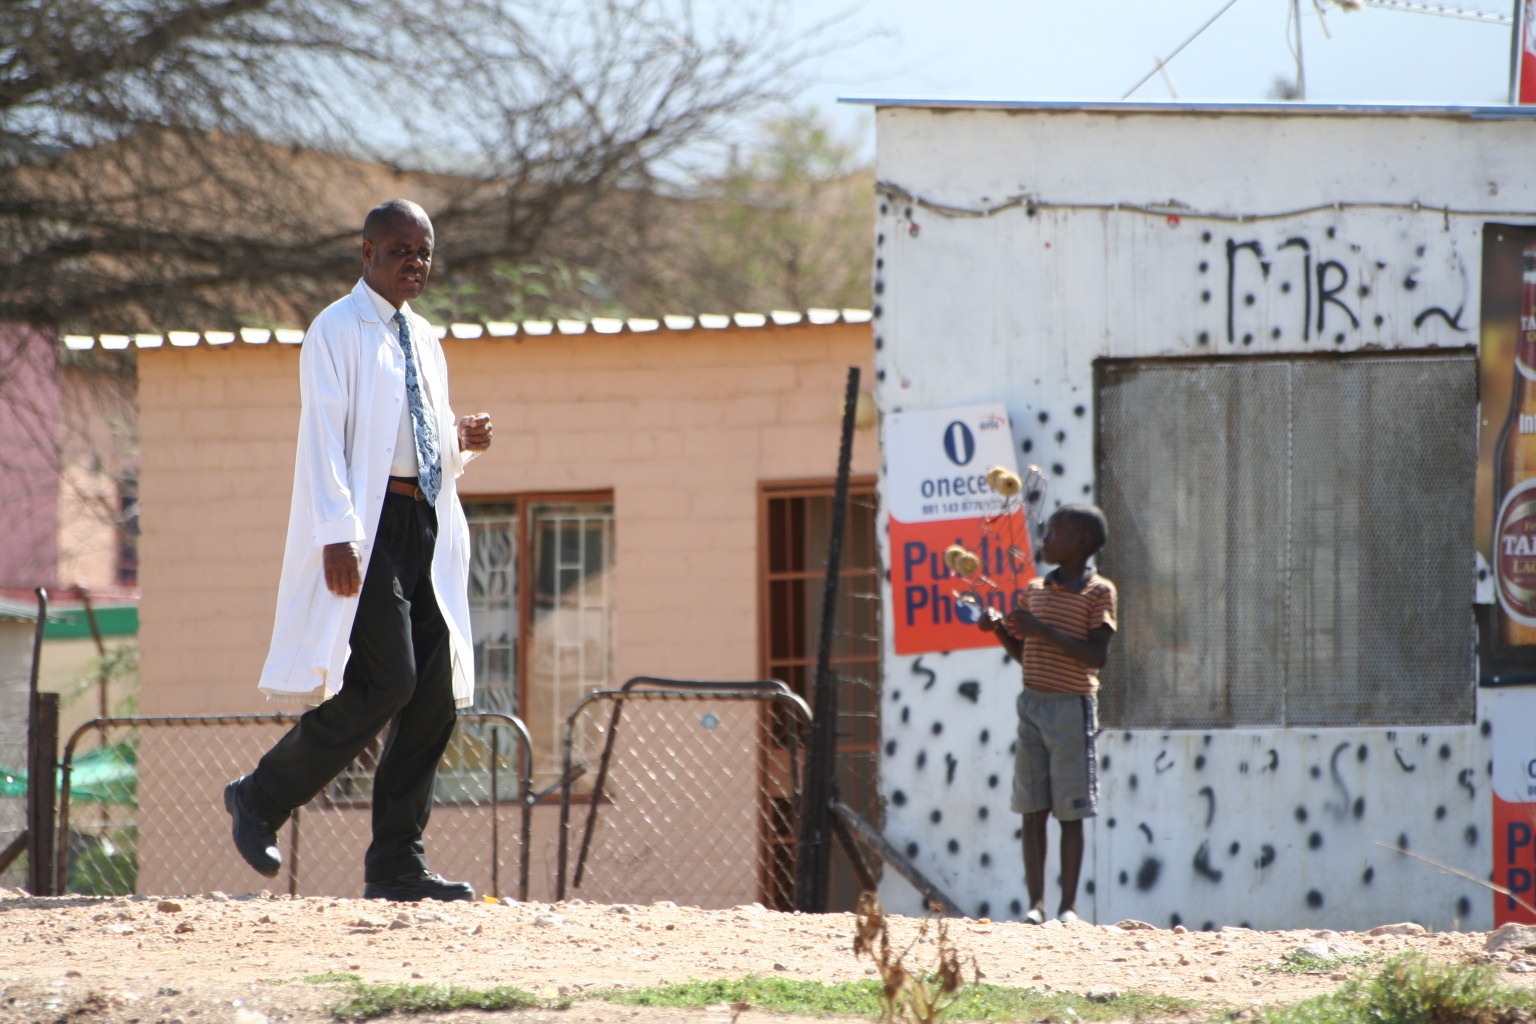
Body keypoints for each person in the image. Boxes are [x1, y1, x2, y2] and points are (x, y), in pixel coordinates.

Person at [223, 198, 494, 902]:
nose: (415, 261)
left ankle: (397, 864)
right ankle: (260, 795)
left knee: (434, 696)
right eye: (401, 248)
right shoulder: (335, 331)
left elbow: (417, 442)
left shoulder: (425, 339)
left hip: (424, 526)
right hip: (365, 532)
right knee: (390, 678)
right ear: (366, 251)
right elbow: (325, 440)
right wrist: (337, 533)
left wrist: (459, 442)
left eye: (424, 251)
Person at [979, 504, 1116, 925]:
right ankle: (1036, 905)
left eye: (1056, 532)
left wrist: (1041, 631)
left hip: (1072, 706)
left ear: (1082, 543)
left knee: (1070, 810)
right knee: (1032, 807)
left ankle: (1068, 908)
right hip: (1032, 704)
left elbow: (1096, 656)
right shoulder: (1035, 590)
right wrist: (1001, 629)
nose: (1045, 539)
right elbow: (1027, 655)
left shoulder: (1099, 593)